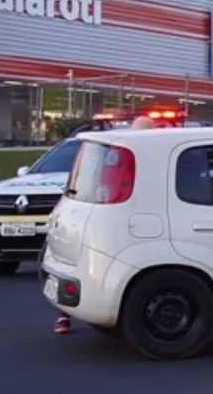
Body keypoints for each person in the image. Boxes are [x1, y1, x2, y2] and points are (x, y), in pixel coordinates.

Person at [54, 116, 155, 335]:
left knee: (71, 267)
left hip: (82, 211)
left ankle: (64, 317)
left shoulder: (110, 152)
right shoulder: (134, 154)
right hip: (119, 218)